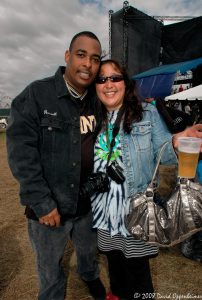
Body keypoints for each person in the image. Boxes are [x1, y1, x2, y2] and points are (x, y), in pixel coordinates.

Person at [91, 59, 202, 300]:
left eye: (115, 77)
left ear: (125, 83)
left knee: (139, 273)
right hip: (104, 211)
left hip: (138, 209)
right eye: (101, 79)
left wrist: (176, 141)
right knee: (115, 265)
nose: (108, 84)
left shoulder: (146, 112)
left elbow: (166, 154)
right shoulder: (90, 118)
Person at [6, 31, 106, 300]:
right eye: (81, 55)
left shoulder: (98, 101)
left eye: (95, 59)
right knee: (50, 271)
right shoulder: (37, 95)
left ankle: (89, 275)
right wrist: (42, 202)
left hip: (87, 204)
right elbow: (20, 154)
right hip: (49, 210)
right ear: (67, 56)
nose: (88, 64)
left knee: (87, 252)